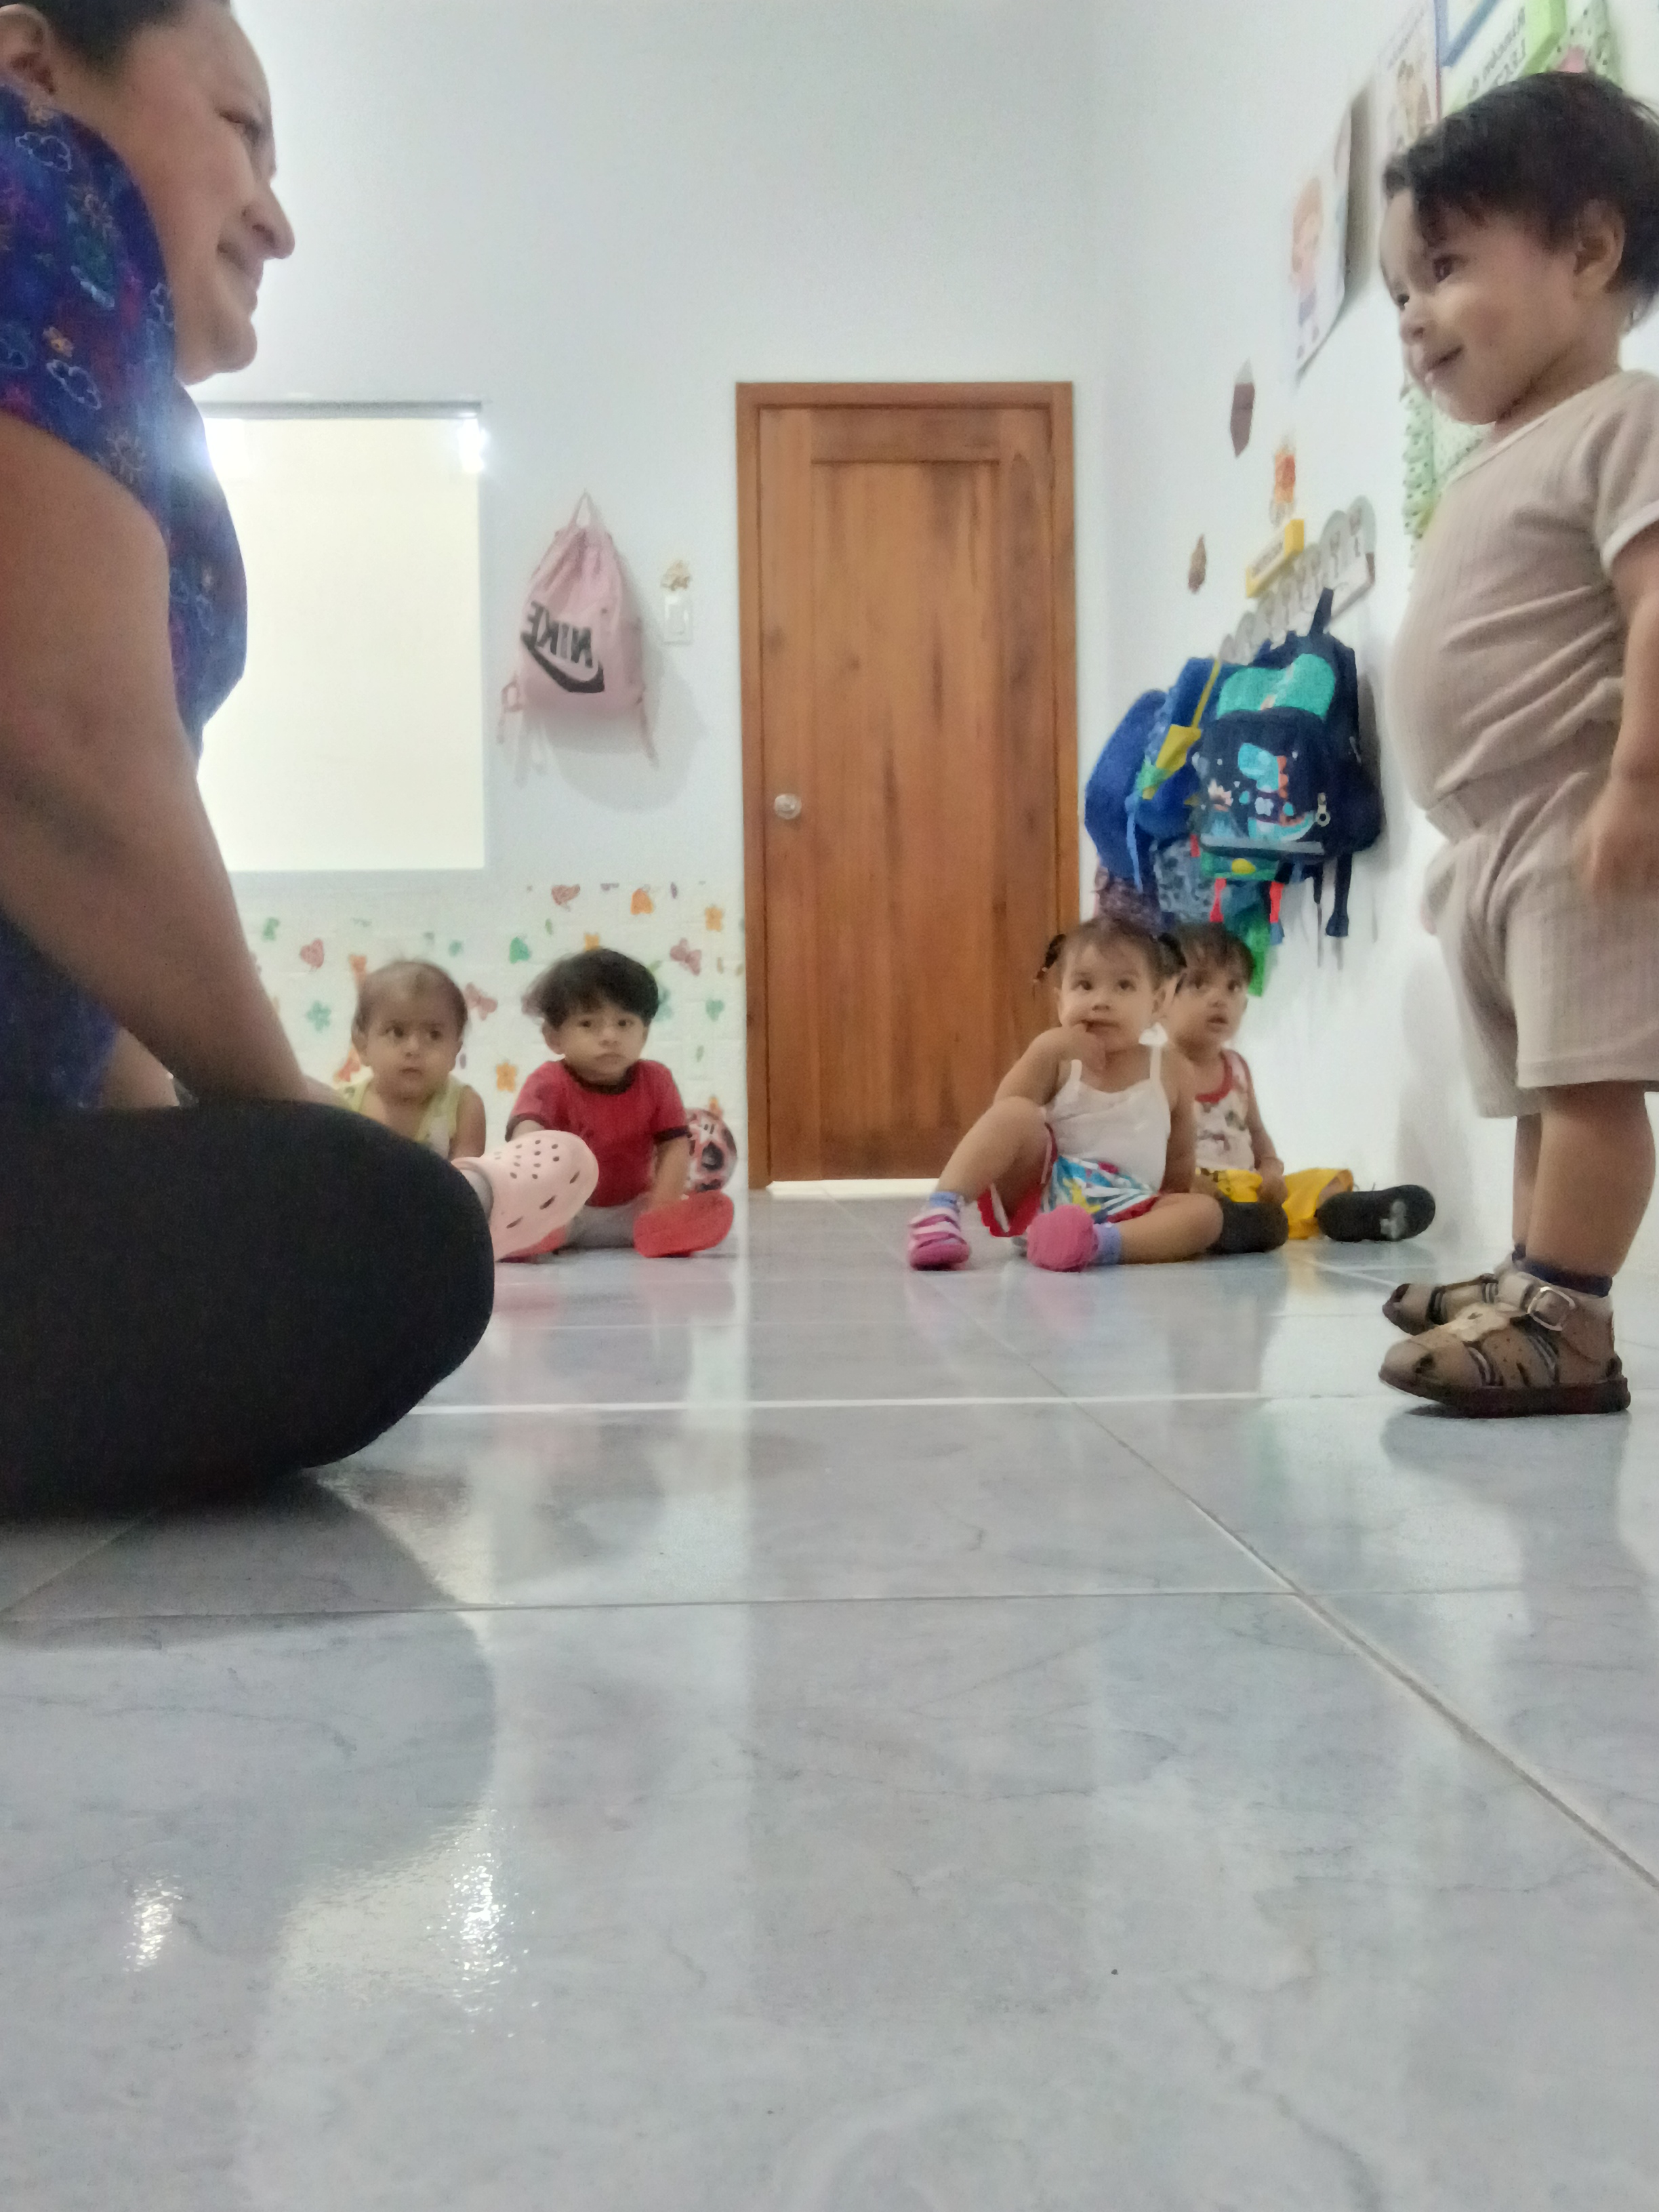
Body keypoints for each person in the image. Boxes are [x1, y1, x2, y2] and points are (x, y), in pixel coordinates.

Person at [0, 0, 575, 1510]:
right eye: (241, 131)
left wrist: (251, 1141)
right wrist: (297, 1121)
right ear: (32, 60)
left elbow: (60, 934)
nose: (279, 217)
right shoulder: (35, 188)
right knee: (387, 1241)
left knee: (358, 1212)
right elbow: (59, 754)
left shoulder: (94, 340)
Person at [1380, 73, 1659, 1416]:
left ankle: (1569, 1315)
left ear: (1588, 250)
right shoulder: (1492, 457)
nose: (1412, 316)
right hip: (1492, 835)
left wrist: (1640, 783)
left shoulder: (1621, 421)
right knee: (1545, 1085)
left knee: (1590, 1079)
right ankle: (1532, 1273)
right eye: (1399, 291)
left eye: (1442, 268)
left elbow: (1655, 604)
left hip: (1577, 807)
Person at [906, 914, 1223, 1272]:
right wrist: (1044, 1051)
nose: (1101, 1001)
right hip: (1042, 1197)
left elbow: (1179, 1155)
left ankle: (1095, 1245)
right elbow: (1003, 1116)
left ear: (1157, 1003)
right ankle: (940, 1210)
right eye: (1085, 986)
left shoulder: (1171, 1069)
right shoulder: (1058, 1058)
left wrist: (1170, 1211)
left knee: (1206, 1215)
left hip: (1129, 1208)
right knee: (1017, 1112)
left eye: (1124, 986)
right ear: (1061, 1003)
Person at [1164, 923, 1437, 1249]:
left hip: (1249, 1188)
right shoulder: (1156, 1070)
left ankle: (1350, 1213)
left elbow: (1256, 1132)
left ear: (1245, 1004)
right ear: (1160, 1001)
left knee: (1323, 1181)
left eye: (1233, 987)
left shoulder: (1237, 1069)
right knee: (1184, 1204)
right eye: (1198, 984)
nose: (1219, 999)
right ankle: (1234, 1226)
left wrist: (1271, 1170)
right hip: (1194, 1186)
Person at [509, 947, 735, 1258]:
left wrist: (662, 1207)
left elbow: (674, 1147)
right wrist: (535, 1197)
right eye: (588, 1024)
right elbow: (526, 1142)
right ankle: (530, 1234)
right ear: (554, 1038)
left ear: (644, 1034)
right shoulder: (547, 1082)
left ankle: (660, 1231)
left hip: (633, 1207)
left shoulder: (657, 1081)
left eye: (624, 1023)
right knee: (531, 1216)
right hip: (565, 1206)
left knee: (675, 1209)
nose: (609, 1036)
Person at [335, 960, 487, 1162]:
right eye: (397, 1032)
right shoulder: (341, 1106)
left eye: (434, 1035)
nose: (414, 1048)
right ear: (363, 1047)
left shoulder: (463, 1107)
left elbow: (466, 1180)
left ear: (455, 1053)